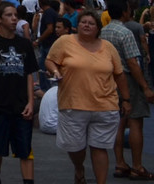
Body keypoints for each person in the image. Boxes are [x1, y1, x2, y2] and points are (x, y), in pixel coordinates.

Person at [47, 11, 127, 184]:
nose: (87, 25)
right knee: (76, 148)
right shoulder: (64, 42)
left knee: (100, 147)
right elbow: (50, 60)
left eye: (91, 23)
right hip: (73, 103)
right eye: (83, 22)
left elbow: (119, 74)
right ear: (78, 25)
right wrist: (55, 70)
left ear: (98, 28)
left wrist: (126, 99)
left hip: (105, 105)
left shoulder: (108, 47)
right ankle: (79, 168)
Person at [0, 2, 38, 184]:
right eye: (9, 15)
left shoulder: (24, 44)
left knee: (25, 149)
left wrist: (30, 101)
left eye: (15, 16)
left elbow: (29, 74)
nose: (14, 19)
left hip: (20, 105)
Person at [101, 0, 154, 180]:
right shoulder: (124, 33)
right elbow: (133, 62)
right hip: (127, 79)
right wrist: (145, 87)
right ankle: (137, 166)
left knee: (118, 121)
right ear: (125, 12)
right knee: (135, 121)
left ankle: (119, 163)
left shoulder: (102, 32)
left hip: (109, 79)